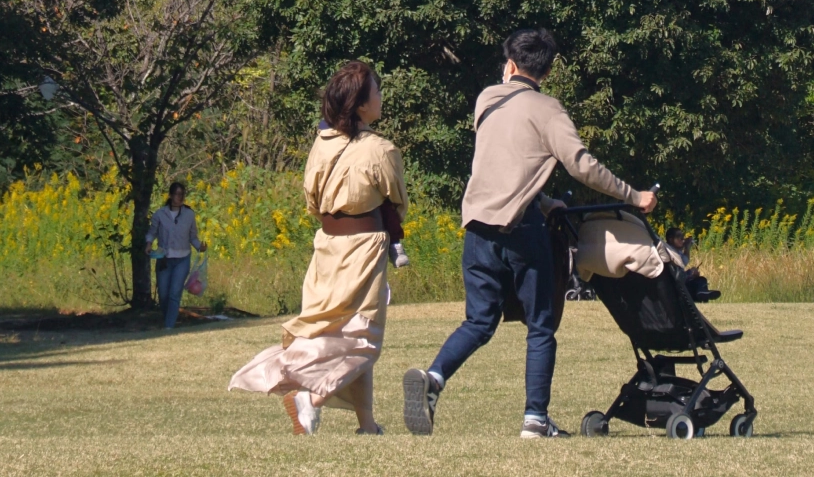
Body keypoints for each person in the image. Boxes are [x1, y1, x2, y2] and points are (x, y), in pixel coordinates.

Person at [402, 28, 657, 438]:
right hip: (521, 227)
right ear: (549, 69)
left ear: (510, 64)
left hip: (477, 227)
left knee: (479, 321)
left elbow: (503, 161)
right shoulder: (547, 109)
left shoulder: (486, 100)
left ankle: (434, 378)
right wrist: (633, 196)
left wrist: (543, 200)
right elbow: (581, 165)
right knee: (541, 324)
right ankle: (535, 419)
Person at [228, 61, 408, 436]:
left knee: (333, 333)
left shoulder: (321, 144)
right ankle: (311, 398)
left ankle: (368, 425)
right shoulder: (380, 149)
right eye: (375, 90)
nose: (380, 96)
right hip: (363, 247)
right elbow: (397, 200)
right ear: (360, 105)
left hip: (326, 247)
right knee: (361, 338)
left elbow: (312, 202)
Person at [145, 182, 207, 329]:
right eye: (178, 194)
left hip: (182, 259)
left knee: (175, 293)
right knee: (164, 294)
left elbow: (193, 237)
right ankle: (167, 318)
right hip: (164, 259)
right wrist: (148, 244)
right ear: (171, 195)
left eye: (182, 194)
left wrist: (200, 246)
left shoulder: (189, 214)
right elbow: (152, 232)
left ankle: (169, 326)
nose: (180, 197)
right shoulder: (160, 214)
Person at [665, 227, 720, 303]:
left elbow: (684, 261)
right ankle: (702, 294)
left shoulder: (677, 250)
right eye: (679, 237)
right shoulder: (670, 250)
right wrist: (690, 273)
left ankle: (703, 293)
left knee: (701, 280)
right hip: (675, 285)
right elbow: (682, 263)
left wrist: (686, 247)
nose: (682, 239)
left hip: (680, 282)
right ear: (671, 239)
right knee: (699, 281)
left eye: (682, 236)